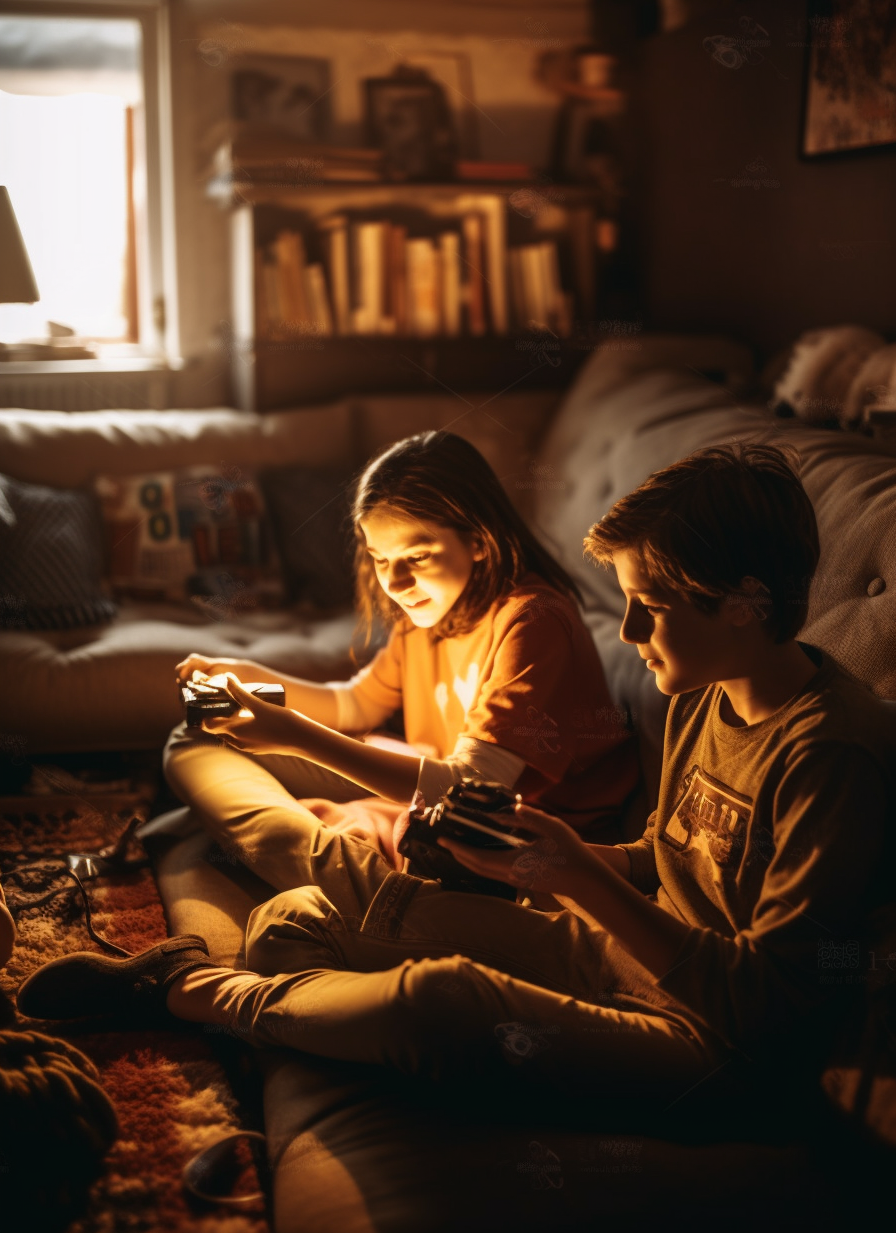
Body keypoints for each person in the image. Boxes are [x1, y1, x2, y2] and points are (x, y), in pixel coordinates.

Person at [19, 443, 893, 1116]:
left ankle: (191, 991)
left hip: (720, 1047)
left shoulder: (832, 753)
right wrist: (568, 857)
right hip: (632, 950)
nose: (626, 630)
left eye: (650, 606)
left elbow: (771, 1010)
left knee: (442, 1000)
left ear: (743, 601)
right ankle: (273, 997)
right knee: (297, 916)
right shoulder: (708, 691)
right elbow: (665, 856)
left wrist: (575, 875)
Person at [160, 429, 637, 889]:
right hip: (434, 799)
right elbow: (354, 705)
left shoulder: (534, 621)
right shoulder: (427, 612)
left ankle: (356, 878)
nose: (397, 582)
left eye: (419, 555)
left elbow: (471, 787)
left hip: (515, 839)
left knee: (327, 819)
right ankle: (314, 851)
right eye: (380, 559)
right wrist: (249, 677)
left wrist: (294, 735)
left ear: (478, 540)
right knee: (198, 737)